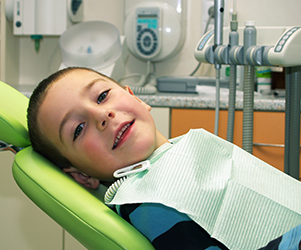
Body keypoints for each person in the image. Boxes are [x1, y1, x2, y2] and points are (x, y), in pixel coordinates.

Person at [27, 67, 301, 250]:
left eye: (102, 96)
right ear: (81, 176)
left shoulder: (184, 149)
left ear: (135, 97)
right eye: (77, 129)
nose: (102, 115)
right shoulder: (149, 204)